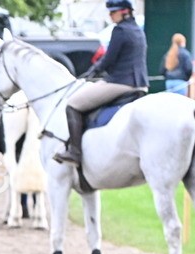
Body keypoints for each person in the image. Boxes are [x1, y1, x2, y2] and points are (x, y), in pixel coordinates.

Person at [55, 0, 146, 165]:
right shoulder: (137, 30)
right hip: (141, 83)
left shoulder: (120, 30)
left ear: (125, 12)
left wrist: (92, 71)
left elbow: (109, 59)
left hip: (121, 83)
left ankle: (75, 152)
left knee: (73, 104)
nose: (110, 15)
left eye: (113, 12)